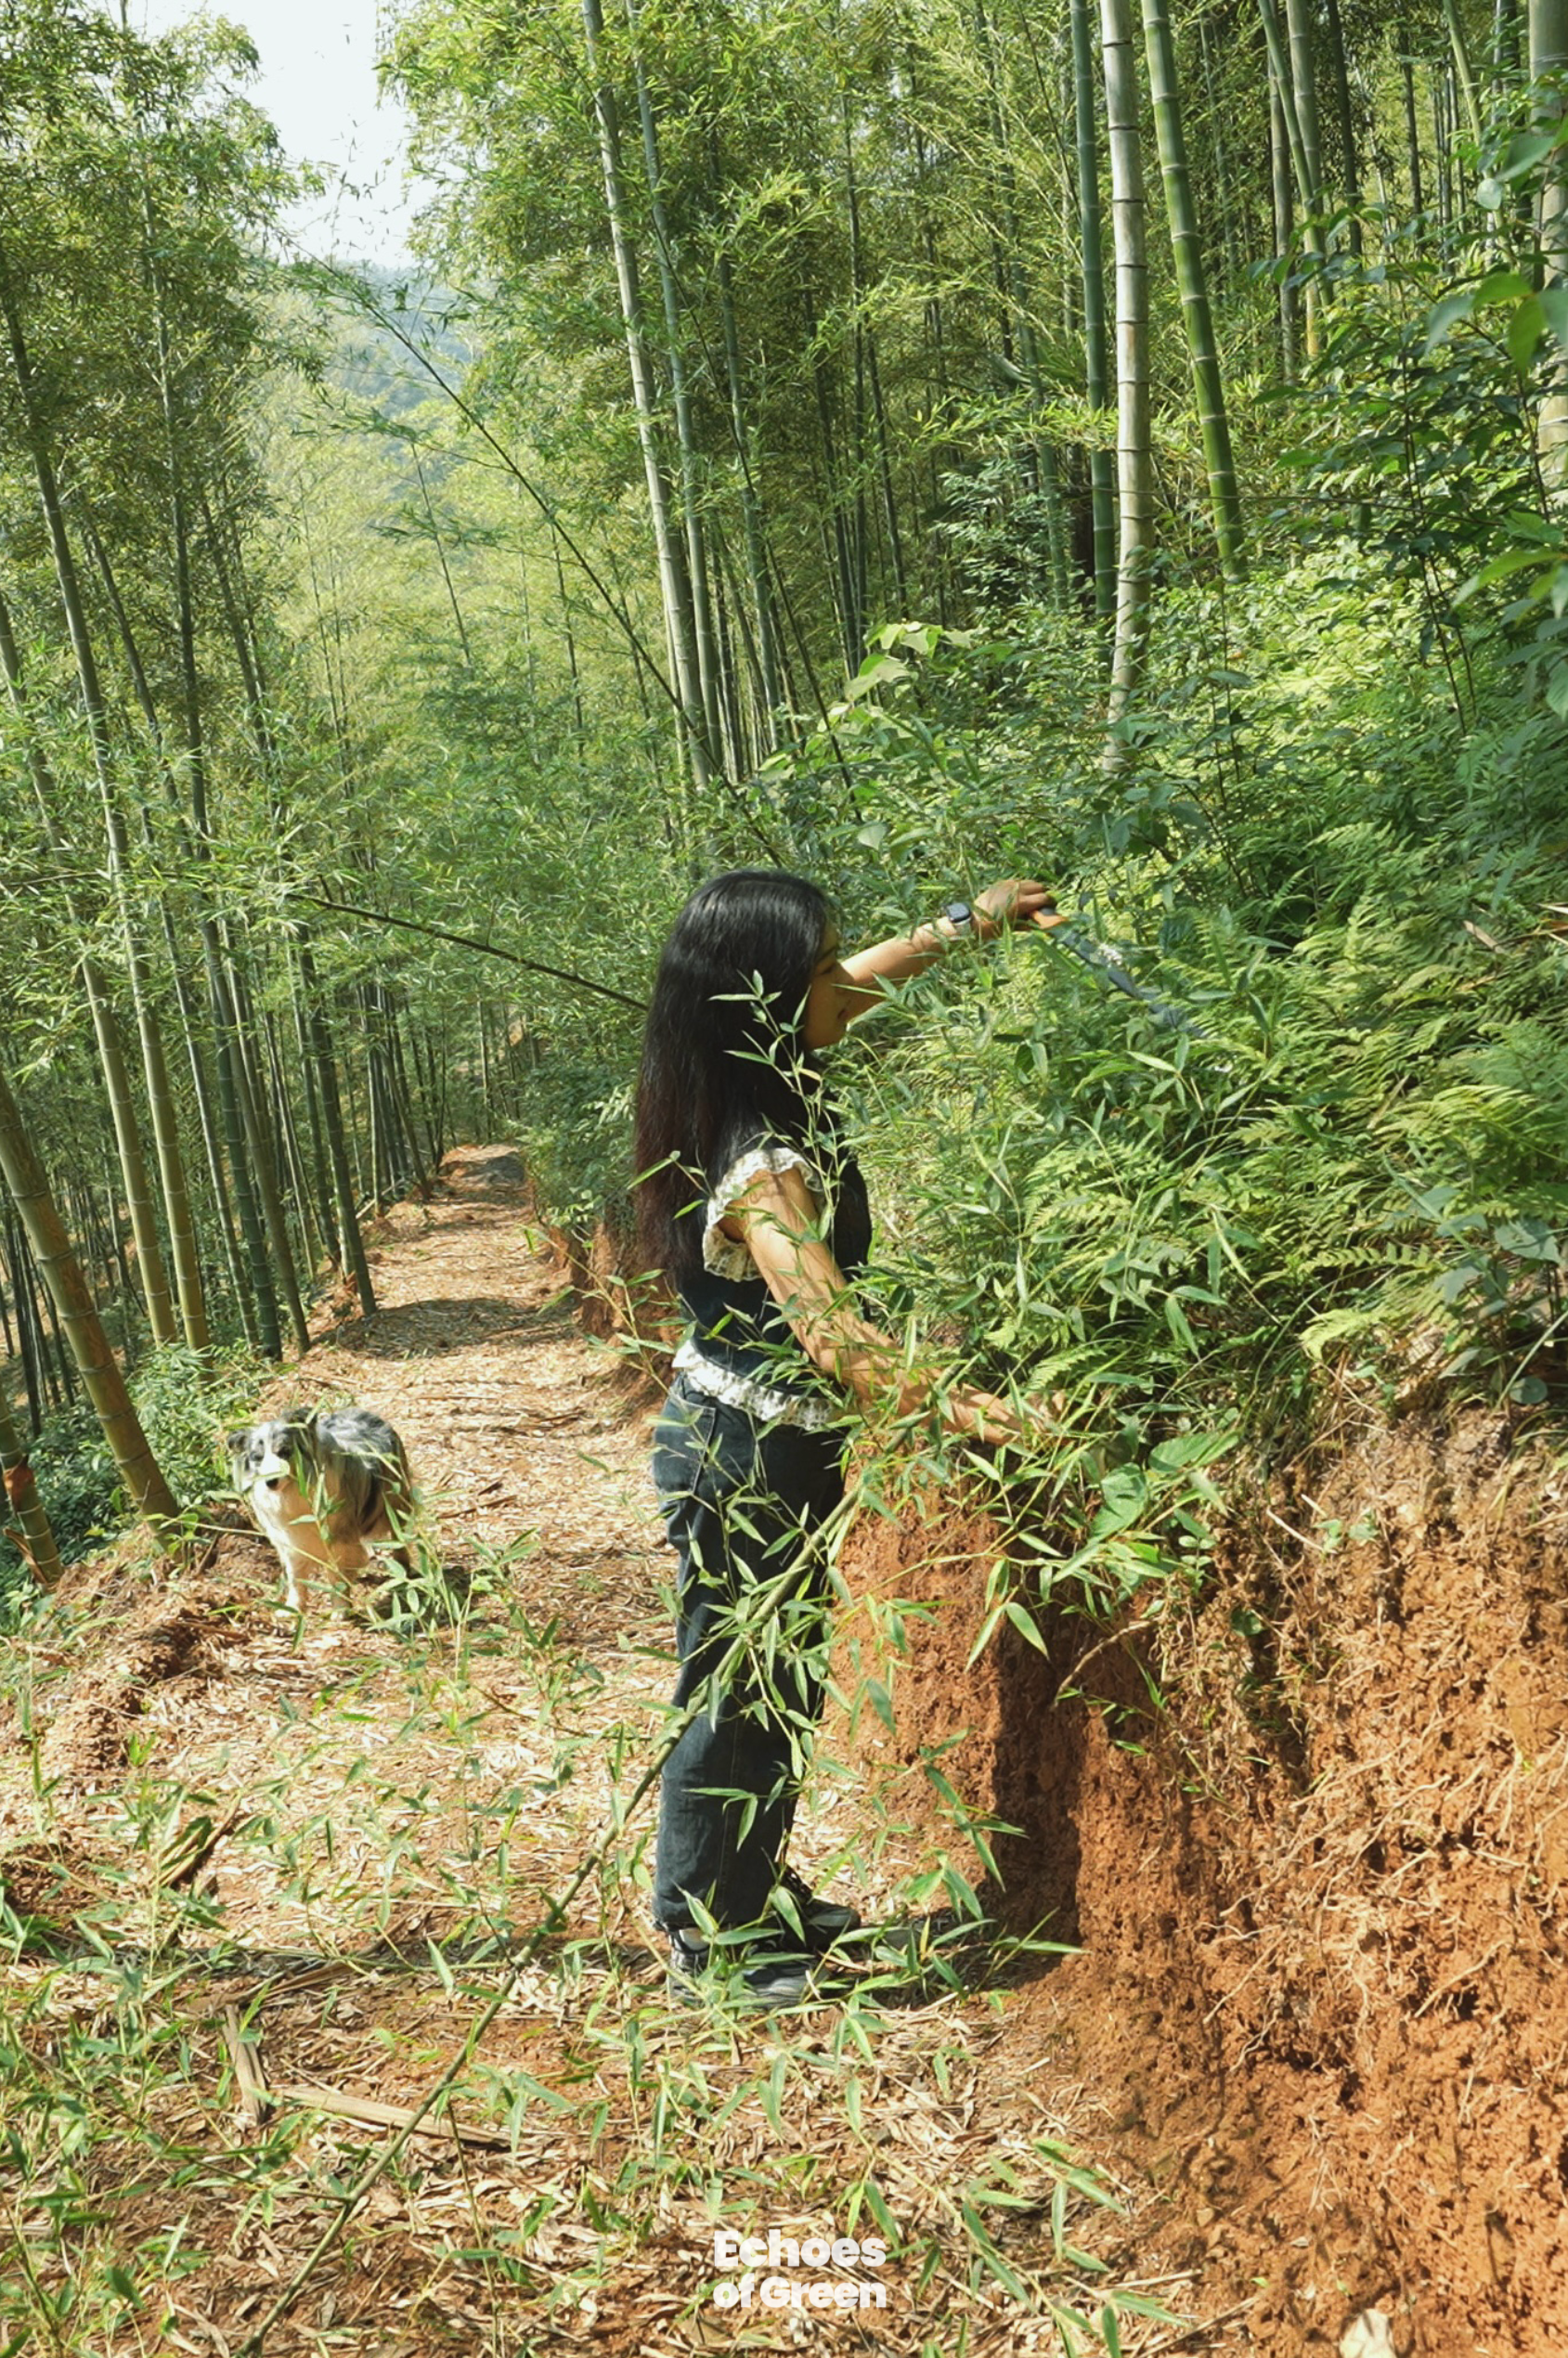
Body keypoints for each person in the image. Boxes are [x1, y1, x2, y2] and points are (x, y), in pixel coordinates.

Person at [634, 866, 1056, 2005]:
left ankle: (750, 1885)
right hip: (742, 1459)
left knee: (780, 1679)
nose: (841, 978)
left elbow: (857, 986)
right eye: (816, 966)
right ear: (762, 1000)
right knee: (735, 1690)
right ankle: (704, 1932)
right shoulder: (760, 1164)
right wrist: (989, 1415)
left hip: (767, 1445)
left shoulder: (759, 1059)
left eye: (830, 957)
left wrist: (966, 925)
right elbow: (843, 1346)